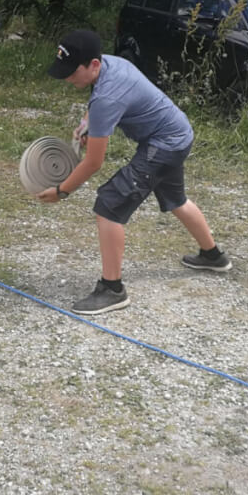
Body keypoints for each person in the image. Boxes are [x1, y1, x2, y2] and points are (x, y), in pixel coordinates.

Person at [36, 29, 229, 315]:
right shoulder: (111, 64)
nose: (66, 77)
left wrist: (62, 190)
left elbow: (93, 162)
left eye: (71, 71)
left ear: (93, 65)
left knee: (110, 204)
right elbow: (98, 104)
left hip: (163, 143)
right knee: (175, 198)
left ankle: (112, 289)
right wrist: (86, 122)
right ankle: (213, 257)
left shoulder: (107, 97)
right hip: (177, 133)